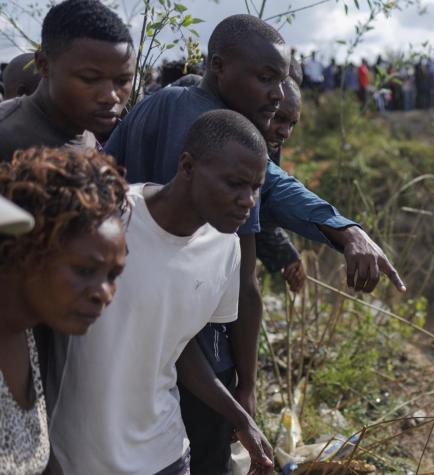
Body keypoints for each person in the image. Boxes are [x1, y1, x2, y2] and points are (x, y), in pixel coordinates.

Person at [106, 14, 404, 474]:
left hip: (142, 334)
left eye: (281, 81)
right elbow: (247, 275)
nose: (276, 94)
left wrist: (334, 232)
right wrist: (244, 390)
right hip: (183, 344)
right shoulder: (208, 127)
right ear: (220, 67)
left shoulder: (170, 106)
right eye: (266, 79)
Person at [50, 110, 273, 475]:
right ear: (187, 166)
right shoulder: (109, 219)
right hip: (77, 456)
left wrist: (240, 415)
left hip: (165, 454)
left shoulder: (226, 249)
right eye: (235, 183)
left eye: (256, 187)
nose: (248, 200)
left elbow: (178, 345)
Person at [0, 146, 127, 475]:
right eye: (85, 270)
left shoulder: (27, 331)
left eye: (113, 276)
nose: (104, 294)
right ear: (23, 251)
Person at [0, 0, 135, 162]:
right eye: (90, 78)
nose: (111, 96)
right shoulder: (6, 135)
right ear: (43, 65)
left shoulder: (84, 130)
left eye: (122, 80)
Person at [255, 77, 305, 292]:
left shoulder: (269, 141)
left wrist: (285, 254)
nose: (285, 132)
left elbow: (261, 202)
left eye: (292, 124)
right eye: (279, 118)